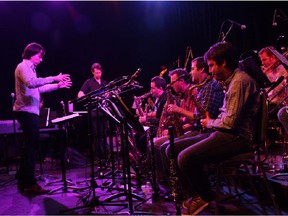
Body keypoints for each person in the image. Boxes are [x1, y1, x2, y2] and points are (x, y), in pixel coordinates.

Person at [163, 42, 260, 215]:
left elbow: (230, 123)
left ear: (223, 62)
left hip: (238, 137)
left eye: (212, 65)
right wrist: (212, 123)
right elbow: (227, 118)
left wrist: (209, 123)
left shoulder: (239, 81)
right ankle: (195, 196)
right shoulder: (230, 81)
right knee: (171, 149)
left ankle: (205, 198)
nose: (210, 70)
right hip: (225, 132)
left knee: (185, 157)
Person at [13, 42, 72, 195]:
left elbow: (39, 88)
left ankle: (23, 181)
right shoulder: (23, 67)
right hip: (26, 111)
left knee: (29, 147)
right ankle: (29, 183)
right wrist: (54, 78)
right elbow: (32, 83)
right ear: (31, 55)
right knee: (31, 148)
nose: (41, 59)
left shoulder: (30, 69)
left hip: (30, 111)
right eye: (39, 56)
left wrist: (57, 86)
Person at [157, 58, 224, 185]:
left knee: (170, 149)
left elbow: (202, 117)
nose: (190, 72)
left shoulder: (209, 87)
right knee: (165, 147)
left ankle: (190, 191)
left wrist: (179, 111)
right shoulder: (202, 87)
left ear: (201, 69)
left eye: (192, 69)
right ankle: (177, 186)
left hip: (207, 131)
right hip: (202, 129)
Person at [77, 63, 108, 164]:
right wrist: (86, 97)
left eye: (99, 72)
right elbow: (80, 93)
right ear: (92, 72)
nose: (98, 74)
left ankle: (105, 155)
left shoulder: (104, 83)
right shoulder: (89, 82)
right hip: (94, 112)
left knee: (103, 133)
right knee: (96, 134)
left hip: (104, 112)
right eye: (96, 73)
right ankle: (97, 157)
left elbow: (108, 94)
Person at [134, 76, 167, 154]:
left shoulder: (165, 100)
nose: (151, 91)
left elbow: (162, 120)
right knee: (138, 134)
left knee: (142, 138)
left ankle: (150, 159)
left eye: (153, 88)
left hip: (163, 129)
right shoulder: (160, 99)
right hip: (159, 126)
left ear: (161, 88)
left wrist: (147, 119)